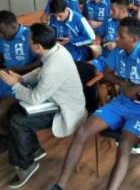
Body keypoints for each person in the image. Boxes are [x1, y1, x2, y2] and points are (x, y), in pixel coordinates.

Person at [51, 17, 140, 190]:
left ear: (134, 40)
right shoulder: (119, 51)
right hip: (121, 102)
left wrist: (137, 88)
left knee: (125, 145)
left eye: (120, 35)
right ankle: (60, 185)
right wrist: (123, 84)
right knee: (83, 131)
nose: (116, 38)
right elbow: (107, 73)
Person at [0, 24, 86, 188]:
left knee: (17, 121)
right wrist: (22, 79)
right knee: (14, 111)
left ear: (37, 46)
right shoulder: (55, 49)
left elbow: (35, 98)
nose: (27, 41)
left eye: (29, 40)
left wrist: (14, 85)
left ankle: (26, 165)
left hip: (64, 109)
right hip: (55, 99)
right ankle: (34, 150)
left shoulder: (54, 67)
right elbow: (41, 71)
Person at [0, 11, 41, 153]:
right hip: (6, 77)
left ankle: (12, 139)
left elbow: (40, 61)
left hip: (24, 80)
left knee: (2, 110)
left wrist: (17, 70)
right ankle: (7, 137)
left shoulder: (29, 35)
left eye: (2, 31)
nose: (1, 35)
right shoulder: (3, 37)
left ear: (12, 25)